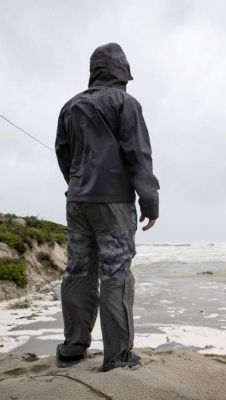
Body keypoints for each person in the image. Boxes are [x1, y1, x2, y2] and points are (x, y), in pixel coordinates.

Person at [55, 43, 160, 372]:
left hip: (77, 201)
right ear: (122, 74)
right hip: (112, 203)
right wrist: (150, 201)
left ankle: (72, 348)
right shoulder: (125, 103)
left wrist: (76, 184)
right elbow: (138, 154)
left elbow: (63, 152)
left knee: (79, 271)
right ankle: (117, 356)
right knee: (116, 274)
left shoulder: (70, 106)